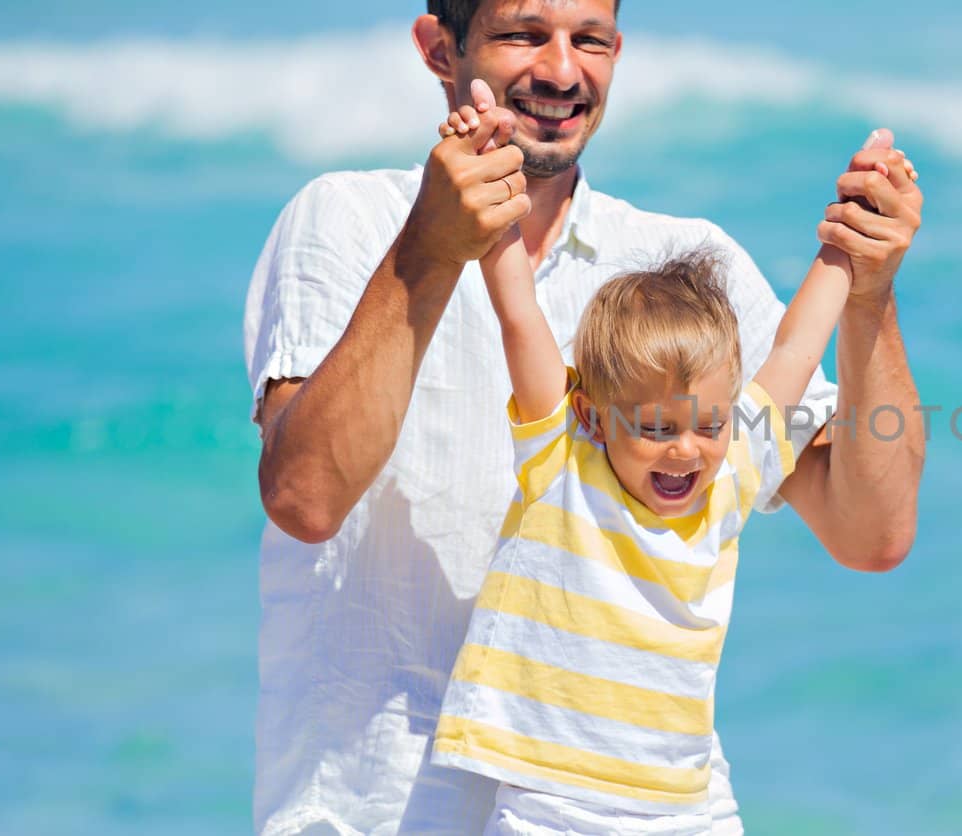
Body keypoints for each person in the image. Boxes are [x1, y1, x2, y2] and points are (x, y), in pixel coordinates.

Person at [242, 1, 925, 833]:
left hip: (668, 811)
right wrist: (434, 240)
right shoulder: (347, 220)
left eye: (589, 40)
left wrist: (870, 285)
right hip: (376, 810)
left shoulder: (687, 274)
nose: (563, 71)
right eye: (524, 34)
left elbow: (873, 531)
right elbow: (306, 497)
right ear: (438, 49)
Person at [428, 88, 906, 834]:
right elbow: (518, 312)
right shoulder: (562, 461)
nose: (687, 449)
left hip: (685, 810)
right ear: (592, 415)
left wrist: (852, 237)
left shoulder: (733, 470)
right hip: (552, 807)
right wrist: (492, 168)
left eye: (708, 425)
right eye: (653, 428)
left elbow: (793, 347)